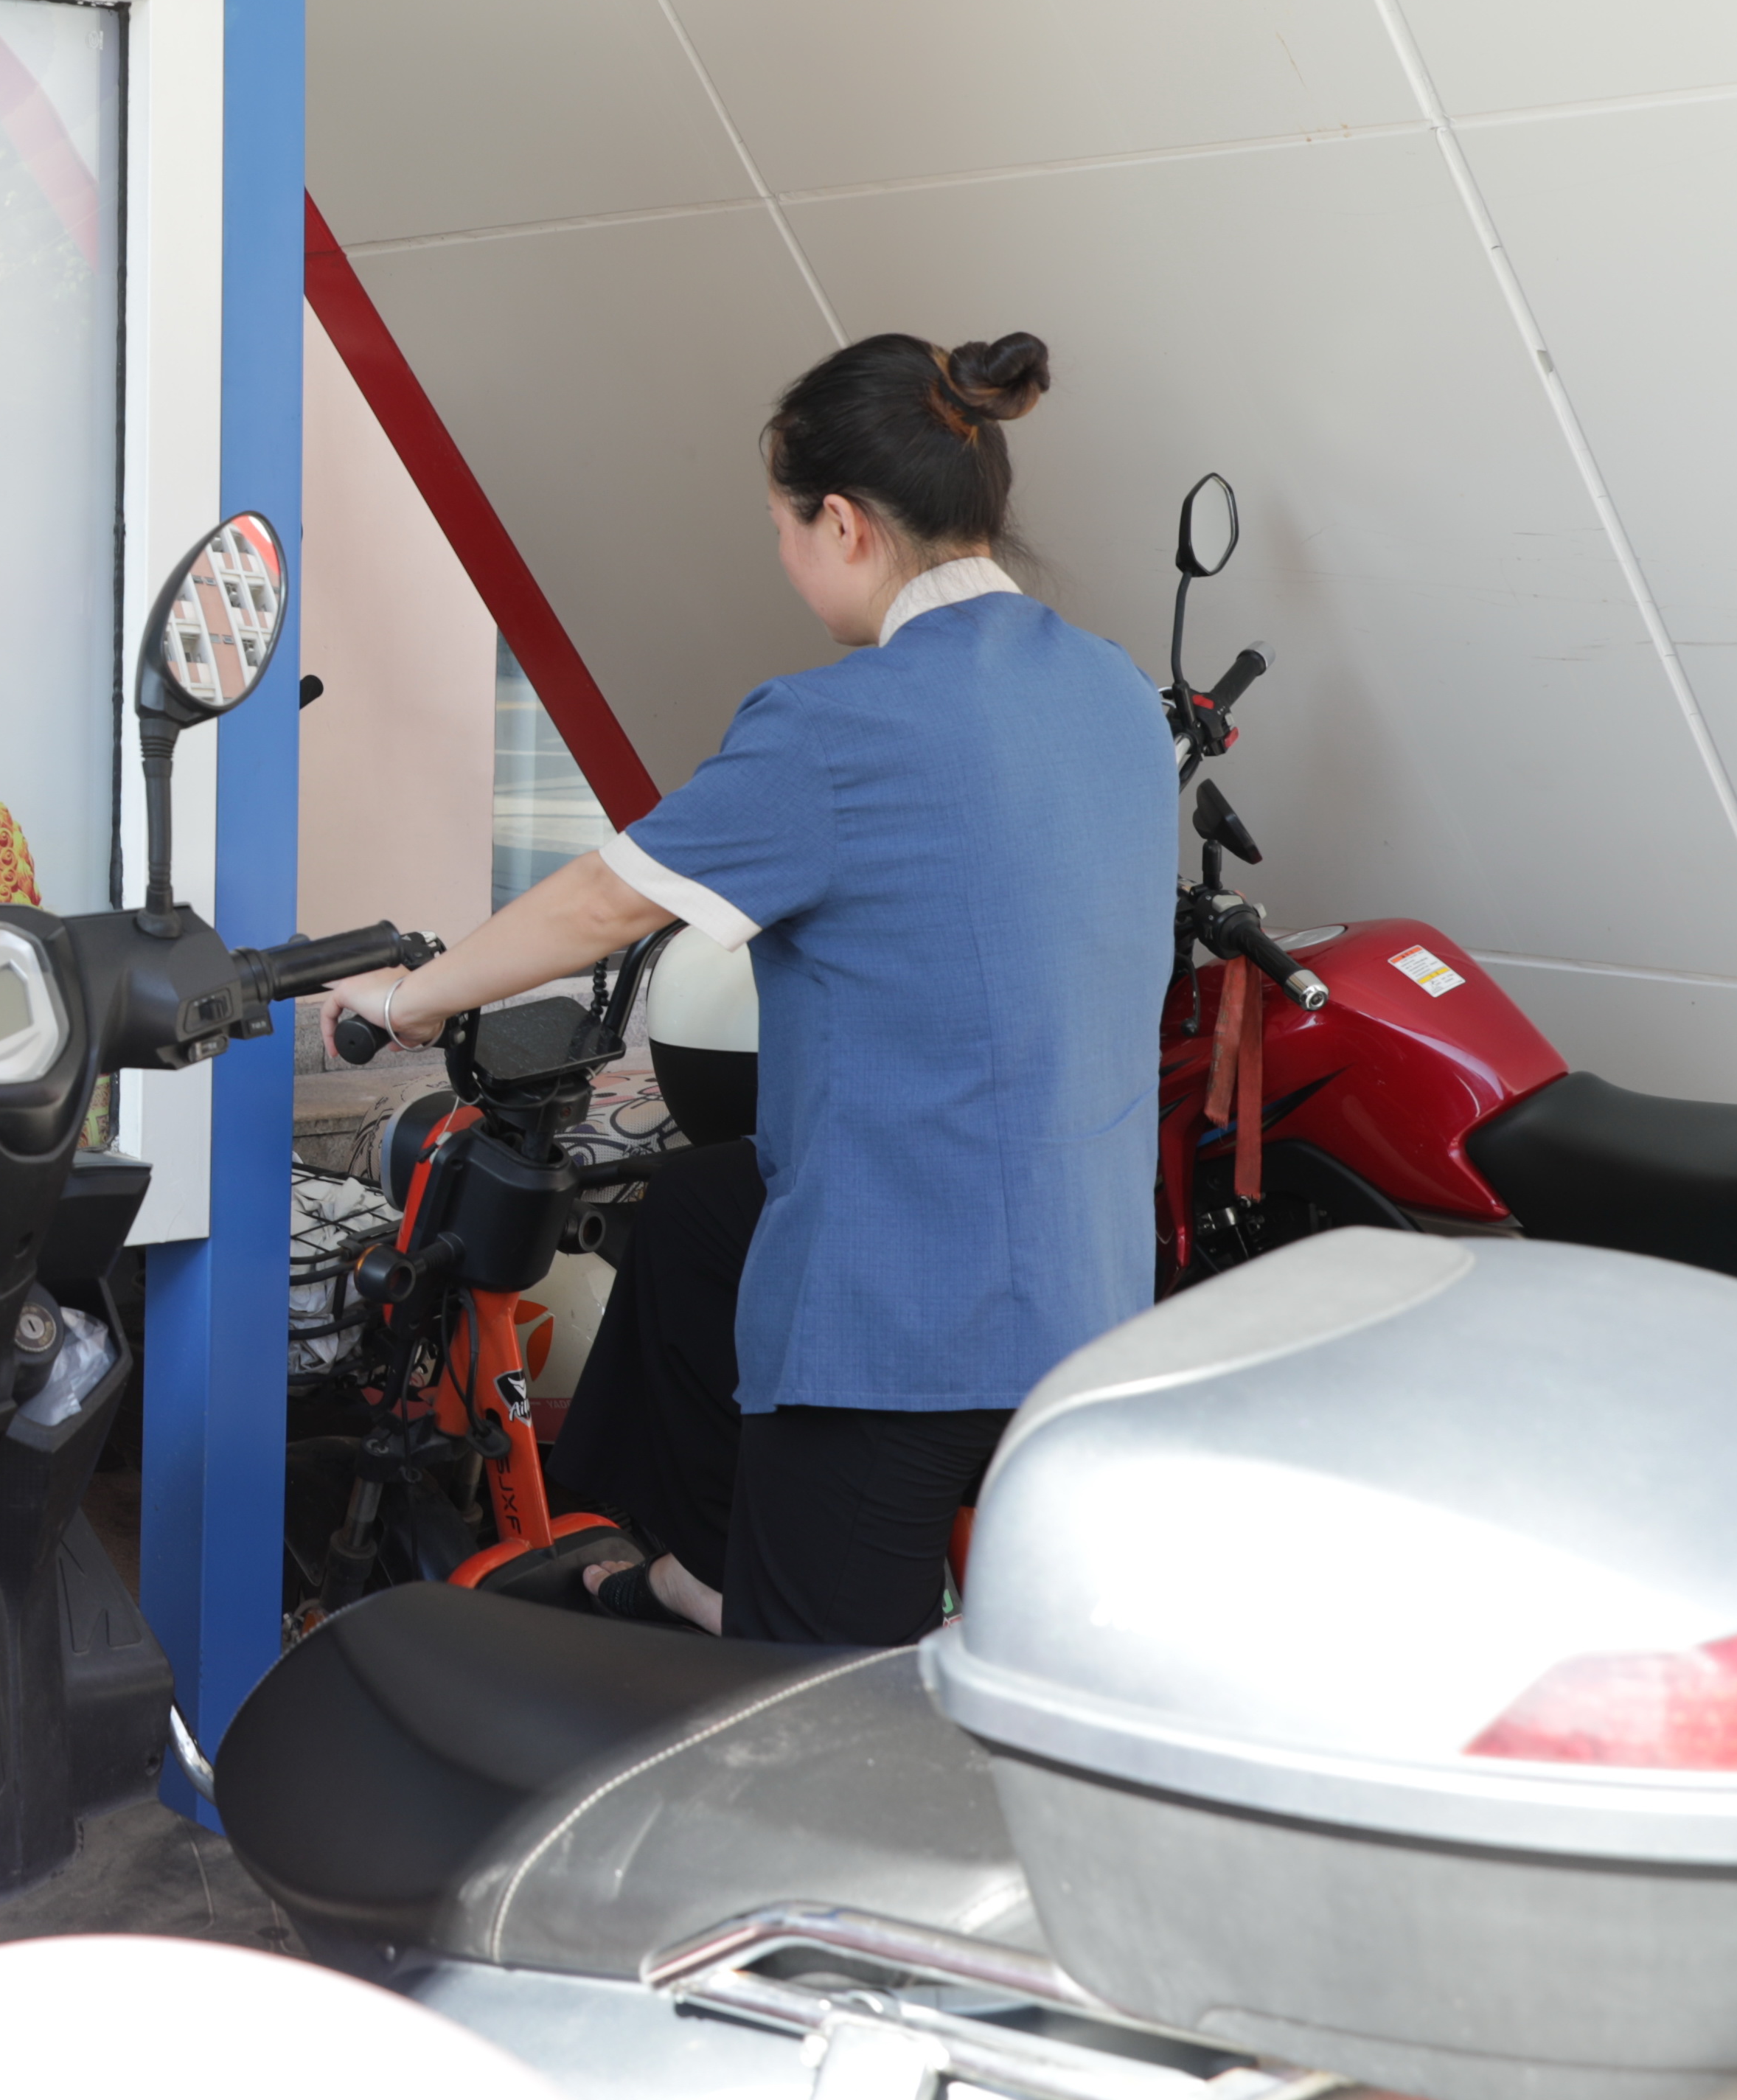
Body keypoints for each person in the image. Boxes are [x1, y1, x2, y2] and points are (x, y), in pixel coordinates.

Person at [318, 333, 1169, 1648]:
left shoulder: (830, 726)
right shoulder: (1110, 686)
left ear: (842, 522)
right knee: (699, 1212)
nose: (781, 556)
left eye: (781, 526)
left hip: (906, 1328)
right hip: (1088, 1289)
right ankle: (694, 1559)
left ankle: (738, 1615)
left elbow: (604, 900)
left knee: (817, 1705)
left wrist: (411, 999)